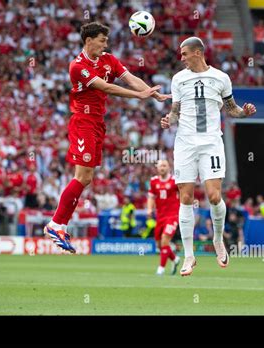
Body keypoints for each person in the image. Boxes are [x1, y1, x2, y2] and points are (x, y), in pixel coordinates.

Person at [43, 22, 170, 252]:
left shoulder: (109, 60)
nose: (105, 44)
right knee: (82, 175)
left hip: (98, 123)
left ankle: (58, 224)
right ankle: (56, 224)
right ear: (88, 40)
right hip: (83, 121)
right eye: (102, 40)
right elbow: (106, 88)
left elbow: (130, 78)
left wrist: (152, 93)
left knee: (86, 177)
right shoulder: (77, 66)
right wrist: (138, 96)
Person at [161, 37, 256, 276]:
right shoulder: (178, 79)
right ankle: (189, 255)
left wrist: (243, 113)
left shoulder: (221, 78)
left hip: (211, 143)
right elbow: (175, 112)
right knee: (185, 197)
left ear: (197, 53)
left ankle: (217, 239)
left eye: (184, 54)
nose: (181, 58)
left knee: (214, 196)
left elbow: (231, 108)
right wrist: (168, 120)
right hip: (185, 144)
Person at [147, 160, 181, 276]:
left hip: (173, 215)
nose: (162, 168)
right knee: (159, 244)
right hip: (160, 216)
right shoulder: (153, 181)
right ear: (157, 168)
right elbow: (151, 197)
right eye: (160, 166)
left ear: (168, 167)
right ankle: (175, 259)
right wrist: (149, 209)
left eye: (165, 165)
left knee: (165, 239)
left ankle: (161, 269)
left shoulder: (174, 181)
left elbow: (182, 194)